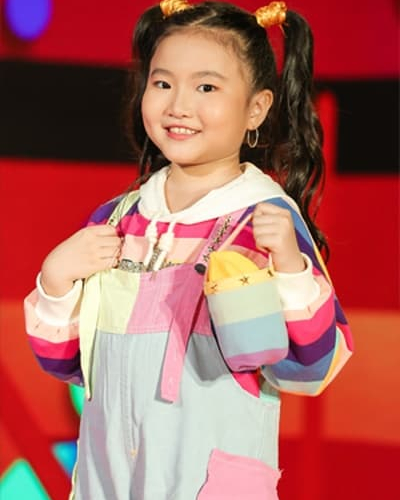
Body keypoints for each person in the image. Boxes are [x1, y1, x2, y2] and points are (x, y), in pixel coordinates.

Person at [24, 1, 353, 498]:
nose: (178, 105)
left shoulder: (262, 221)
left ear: (257, 108)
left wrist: (289, 268)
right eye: (162, 83)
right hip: (108, 480)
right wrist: (55, 282)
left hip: (206, 482)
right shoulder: (117, 220)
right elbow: (69, 365)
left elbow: (309, 369)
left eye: (206, 87)